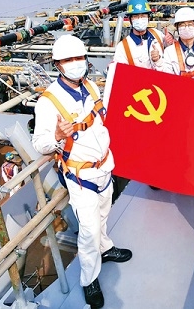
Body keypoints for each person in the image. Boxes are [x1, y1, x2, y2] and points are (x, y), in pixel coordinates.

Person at [32, 34, 131, 309]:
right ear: (57, 64)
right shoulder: (48, 102)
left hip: (104, 167)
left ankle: (106, 248)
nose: (75, 63)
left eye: (79, 58)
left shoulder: (91, 86)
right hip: (80, 176)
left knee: (104, 215)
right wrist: (56, 135)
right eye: (68, 60)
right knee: (88, 231)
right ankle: (90, 279)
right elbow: (39, 143)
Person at [109, 0, 165, 69]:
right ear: (130, 20)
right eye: (136, 16)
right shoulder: (123, 47)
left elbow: (171, 60)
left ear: (148, 18)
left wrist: (158, 60)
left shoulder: (157, 34)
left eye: (143, 16)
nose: (140, 19)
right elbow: (120, 72)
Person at [160, 6, 194, 78]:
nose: (186, 28)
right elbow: (167, 77)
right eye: (182, 25)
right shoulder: (169, 51)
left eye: (190, 24)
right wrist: (157, 61)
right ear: (176, 27)